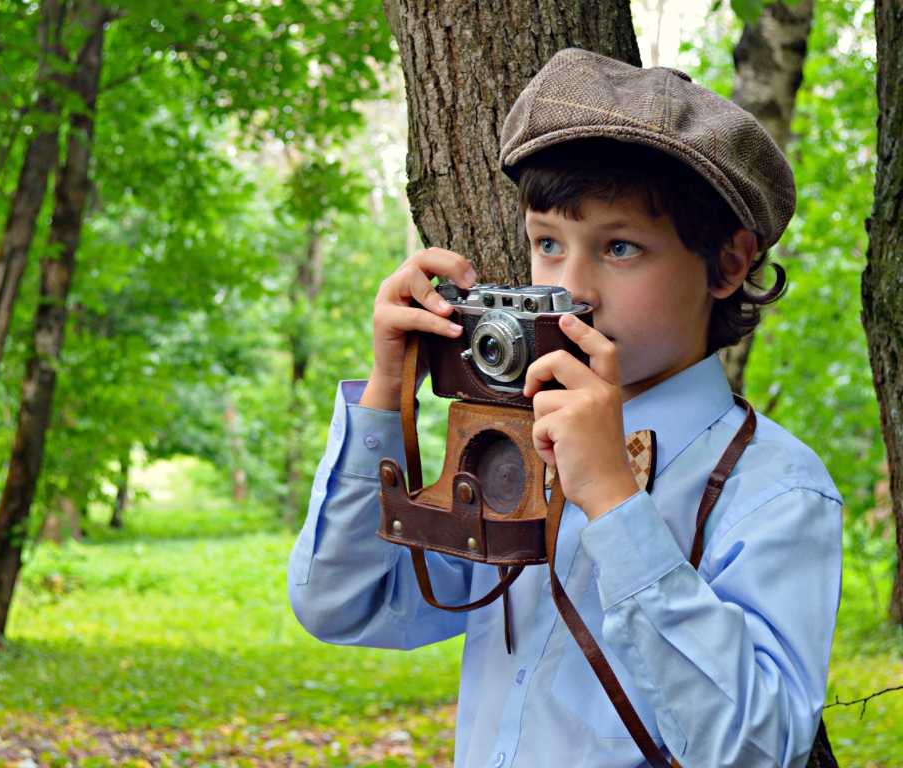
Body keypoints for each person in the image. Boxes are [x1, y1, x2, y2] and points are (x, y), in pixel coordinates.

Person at [287, 48, 842, 768]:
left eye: (620, 247)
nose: (571, 287)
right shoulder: (508, 449)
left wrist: (614, 502)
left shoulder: (776, 489)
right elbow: (343, 603)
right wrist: (385, 393)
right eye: (547, 242)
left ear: (729, 264)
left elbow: (757, 751)